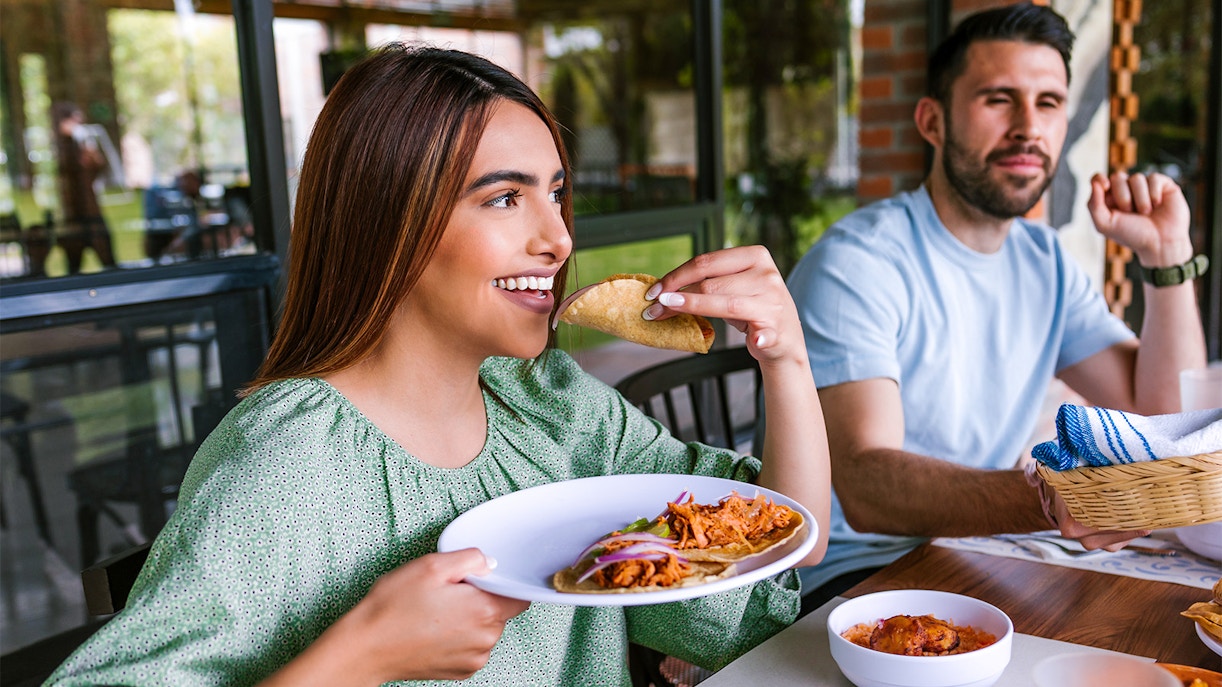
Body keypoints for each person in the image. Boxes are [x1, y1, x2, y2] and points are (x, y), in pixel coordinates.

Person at [47, 44, 831, 686]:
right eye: (503, 198)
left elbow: (782, 549)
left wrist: (785, 358)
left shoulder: (553, 406)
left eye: (556, 194)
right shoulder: (288, 465)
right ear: (390, 220)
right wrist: (360, 656)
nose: (558, 238)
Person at [783, 3, 1207, 611]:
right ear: (932, 121)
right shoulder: (860, 263)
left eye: (1049, 103)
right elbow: (867, 488)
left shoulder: (1046, 261)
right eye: (998, 99)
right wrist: (1057, 499)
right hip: (850, 578)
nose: (1028, 128)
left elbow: (1162, 414)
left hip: (976, 553)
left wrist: (1167, 261)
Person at [52, 101, 117, 274]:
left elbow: (97, 167)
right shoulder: (63, 147)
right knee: (74, 266)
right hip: (74, 215)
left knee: (109, 263)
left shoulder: (82, 143)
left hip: (90, 211)